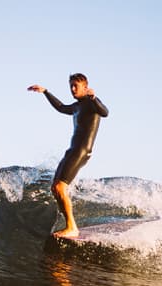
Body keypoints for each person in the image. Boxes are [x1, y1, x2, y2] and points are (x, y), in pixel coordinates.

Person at [28, 73, 109, 238]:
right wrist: (45, 92)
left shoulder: (91, 103)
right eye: (71, 86)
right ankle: (69, 225)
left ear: (85, 88)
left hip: (82, 150)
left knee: (60, 187)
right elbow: (61, 108)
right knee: (55, 187)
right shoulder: (77, 106)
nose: (72, 89)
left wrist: (94, 97)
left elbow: (105, 112)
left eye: (76, 86)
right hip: (72, 150)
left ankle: (72, 227)